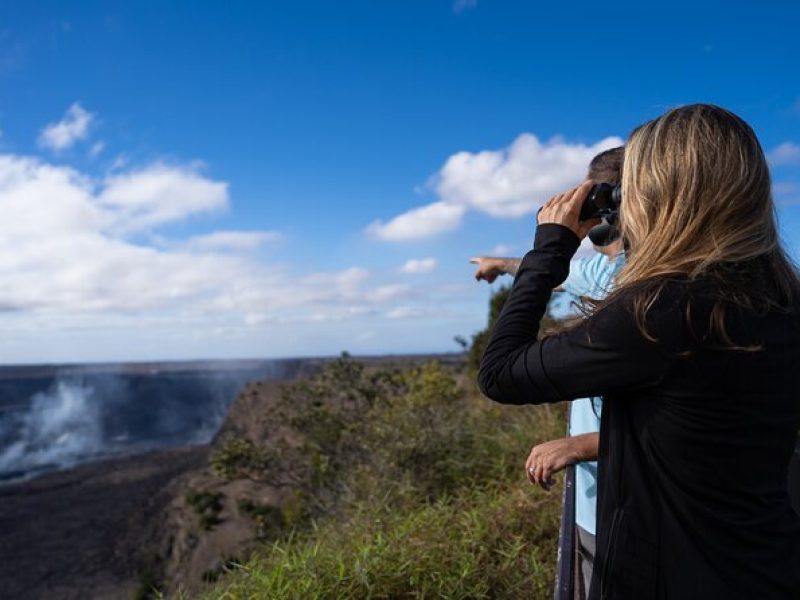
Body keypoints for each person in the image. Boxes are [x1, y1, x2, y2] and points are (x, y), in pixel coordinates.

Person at [478, 104, 800, 599]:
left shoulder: (661, 311)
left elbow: (501, 372)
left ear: (658, 193)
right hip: (766, 561)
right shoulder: (781, 297)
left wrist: (550, 247)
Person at [471, 146, 624, 599]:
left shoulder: (640, 286)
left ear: (605, 196)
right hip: (592, 498)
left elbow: (500, 374)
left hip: (623, 505)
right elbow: (557, 275)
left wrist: (583, 446)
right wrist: (501, 264)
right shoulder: (601, 269)